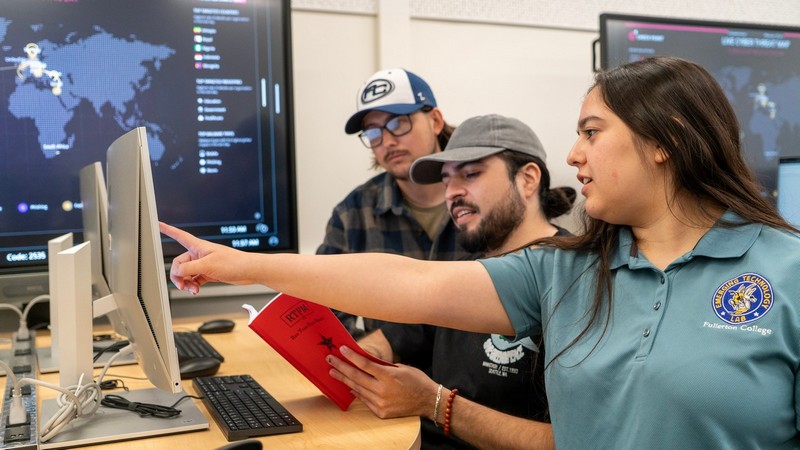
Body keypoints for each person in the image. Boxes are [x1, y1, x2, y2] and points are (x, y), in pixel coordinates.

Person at [161, 56, 800, 449]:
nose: (573, 154)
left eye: (591, 132)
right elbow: (407, 283)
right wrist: (238, 263)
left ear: (668, 141)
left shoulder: (787, 271)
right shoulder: (564, 270)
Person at [341, 114, 575, 449]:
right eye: (446, 180)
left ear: (527, 179)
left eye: (471, 174)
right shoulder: (463, 271)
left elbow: (571, 441)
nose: (452, 193)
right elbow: (395, 337)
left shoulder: (577, 279)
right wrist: (362, 360)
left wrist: (433, 403)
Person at [320, 68, 475, 338]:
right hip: (385, 364)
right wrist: (366, 352)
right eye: (373, 132)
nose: (388, 142)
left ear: (435, 121)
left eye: (398, 124)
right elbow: (321, 309)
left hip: (477, 364)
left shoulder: (483, 198)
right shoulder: (352, 213)